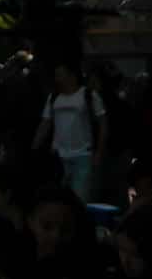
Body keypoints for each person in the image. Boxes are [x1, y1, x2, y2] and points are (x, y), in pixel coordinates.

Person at [32, 61, 105, 202]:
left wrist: (99, 152)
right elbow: (45, 123)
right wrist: (35, 147)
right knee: (58, 198)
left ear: (71, 75)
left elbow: (103, 124)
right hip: (59, 157)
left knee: (80, 199)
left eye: (60, 74)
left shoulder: (89, 95)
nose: (57, 78)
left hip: (83, 155)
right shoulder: (53, 98)